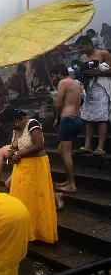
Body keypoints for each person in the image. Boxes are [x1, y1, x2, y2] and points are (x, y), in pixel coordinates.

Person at [0, 109, 59, 243]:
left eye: (9, 126)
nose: (10, 129)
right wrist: (10, 155)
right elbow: (13, 147)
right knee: (22, 201)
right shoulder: (15, 129)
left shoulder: (32, 124)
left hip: (37, 167)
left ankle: (39, 233)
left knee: (36, 200)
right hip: (21, 169)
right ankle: (26, 232)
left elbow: (39, 145)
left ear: (15, 121)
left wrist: (19, 154)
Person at [75, 35, 111, 156]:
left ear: (88, 44)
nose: (80, 50)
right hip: (88, 90)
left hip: (101, 88)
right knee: (88, 118)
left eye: (81, 47)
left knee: (101, 118)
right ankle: (87, 146)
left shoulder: (103, 53)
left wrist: (97, 72)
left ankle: (100, 147)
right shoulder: (83, 57)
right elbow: (80, 72)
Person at [51, 64, 83, 193]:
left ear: (59, 73)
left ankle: (72, 184)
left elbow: (58, 104)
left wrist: (57, 118)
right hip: (77, 119)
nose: (54, 78)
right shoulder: (75, 83)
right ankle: (68, 180)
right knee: (61, 150)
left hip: (67, 119)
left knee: (65, 152)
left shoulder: (63, 82)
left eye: (54, 75)